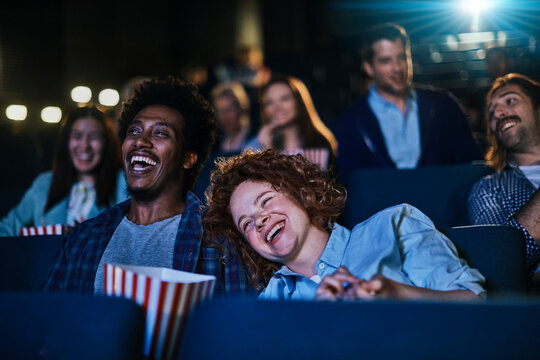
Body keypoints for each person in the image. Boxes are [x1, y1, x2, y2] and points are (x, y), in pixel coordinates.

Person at [42, 77, 251, 296]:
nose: (140, 141)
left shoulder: (219, 240)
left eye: (160, 133)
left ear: (188, 158)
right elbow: (47, 321)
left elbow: (238, 326)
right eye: (133, 131)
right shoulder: (84, 238)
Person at [203, 150, 485, 301]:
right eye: (247, 224)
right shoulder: (272, 300)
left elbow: (475, 303)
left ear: (300, 192)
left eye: (264, 201)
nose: (260, 220)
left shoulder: (394, 225)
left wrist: (398, 295)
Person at [334, 23, 482, 185]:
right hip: (382, 209)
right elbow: (351, 186)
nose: (397, 68)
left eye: (402, 57)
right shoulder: (350, 121)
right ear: (369, 68)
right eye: (386, 61)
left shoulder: (443, 105)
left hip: (441, 207)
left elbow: (472, 167)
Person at [0, 106, 127, 236]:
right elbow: (8, 228)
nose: (84, 145)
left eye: (94, 137)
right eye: (77, 136)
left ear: (107, 143)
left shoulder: (122, 184)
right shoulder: (45, 184)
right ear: (66, 142)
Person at [468, 73, 540, 273]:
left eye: (510, 100)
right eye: (491, 113)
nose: (498, 112)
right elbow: (500, 260)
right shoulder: (489, 188)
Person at [245, 75, 338, 171]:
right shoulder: (255, 147)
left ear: (299, 102)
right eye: (270, 102)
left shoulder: (320, 142)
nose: (277, 108)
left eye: (284, 99)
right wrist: (267, 151)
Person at [211, 82, 251, 154]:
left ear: (241, 109)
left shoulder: (253, 140)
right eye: (220, 111)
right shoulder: (216, 145)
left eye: (229, 109)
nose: (224, 117)